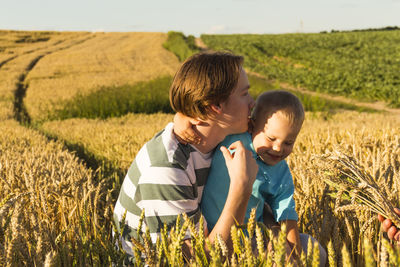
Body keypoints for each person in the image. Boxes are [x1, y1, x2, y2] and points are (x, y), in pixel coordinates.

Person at [113, 51, 258, 263]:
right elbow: (197, 261)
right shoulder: (166, 168)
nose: (252, 102)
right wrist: (242, 188)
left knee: (306, 248)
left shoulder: (224, 139)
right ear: (215, 106)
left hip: (216, 245)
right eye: (244, 94)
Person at [176, 90, 327, 265]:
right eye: (271, 138)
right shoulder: (232, 138)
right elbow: (208, 120)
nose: (278, 149)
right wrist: (181, 119)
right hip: (210, 237)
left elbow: (287, 214)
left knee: (315, 250)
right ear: (251, 125)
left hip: (250, 241)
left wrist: (296, 255)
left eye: (288, 142)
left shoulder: (281, 172)